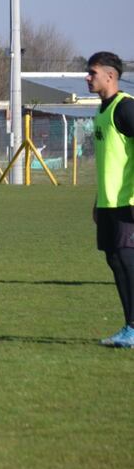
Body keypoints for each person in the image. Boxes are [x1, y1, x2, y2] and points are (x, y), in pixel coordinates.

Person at [86, 51, 134, 348]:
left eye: (92, 73)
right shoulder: (102, 111)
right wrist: (96, 199)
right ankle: (130, 327)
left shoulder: (125, 108)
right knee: (115, 260)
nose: (87, 78)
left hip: (126, 203)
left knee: (127, 261)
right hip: (107, 203)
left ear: (110, 76)